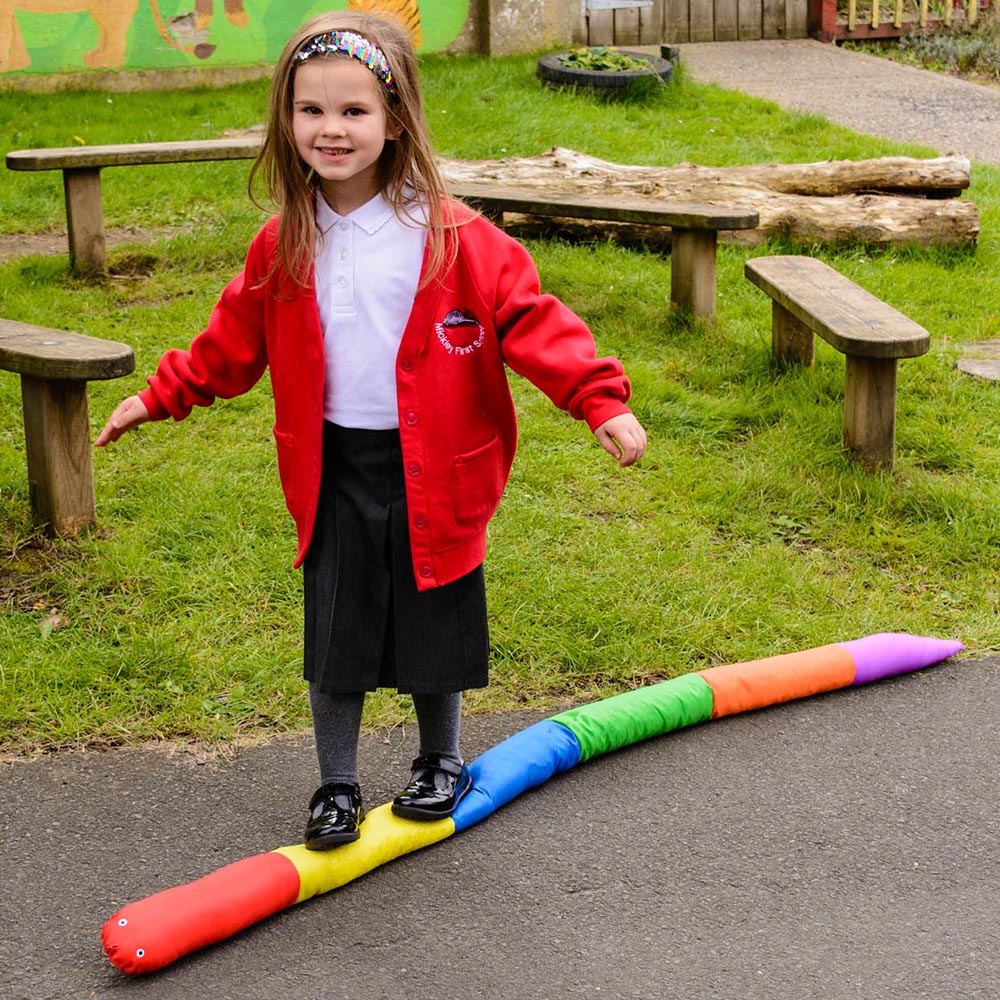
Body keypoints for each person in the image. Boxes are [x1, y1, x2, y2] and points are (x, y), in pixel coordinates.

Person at [95, 10, 647, 851]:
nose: (332, 129)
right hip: (333, 466)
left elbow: (534, 321)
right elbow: (230, 344)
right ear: (287, 120)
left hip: (441, 466)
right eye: (311, 111)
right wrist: (159, 396)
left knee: (437, 618)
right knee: (339, 630)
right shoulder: (284, 242)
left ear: (396, 120)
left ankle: (441, 760)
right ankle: (337, 784)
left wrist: (599, 401)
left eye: (354, 111)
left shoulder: (456, 238)